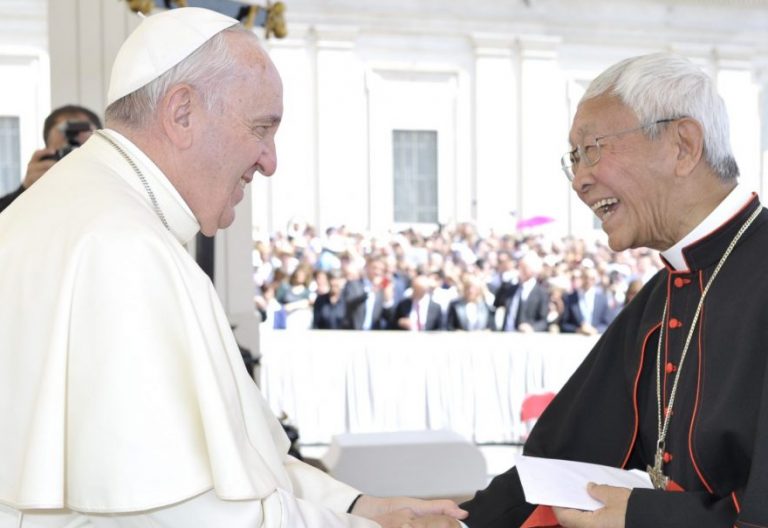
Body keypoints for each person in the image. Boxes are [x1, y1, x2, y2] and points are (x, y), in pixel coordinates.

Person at [0, 8, 466, 528]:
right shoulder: (123, 248)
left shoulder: (79, 207)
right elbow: (197, 511)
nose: (270, 161)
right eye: (261, 128)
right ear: (182, 113)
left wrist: (361, 506)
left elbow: (242, 458)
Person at [455, 52, 768, 528]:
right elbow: (563, 457)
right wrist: (462, 523)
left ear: (683, 146)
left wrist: (643, 514)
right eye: (574, 159)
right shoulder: (662, 293)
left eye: (592, 148)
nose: (580, 180)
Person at [0, 104, 101, 213]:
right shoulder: (38, 188)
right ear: (47, 152)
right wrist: (25, 190)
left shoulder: (107, 178)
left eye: (82, 151)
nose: (72, 161)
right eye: (65, 153)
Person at [559, 267, 615, 335]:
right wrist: (578, 330)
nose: (588, 281)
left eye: (592, 278)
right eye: (586, 277)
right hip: (576, 338)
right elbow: (564, 324)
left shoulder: (602, 299)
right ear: (581, 278)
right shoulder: (569, 298)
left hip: (596, 338)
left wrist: (595, 330)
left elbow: (607, 323)